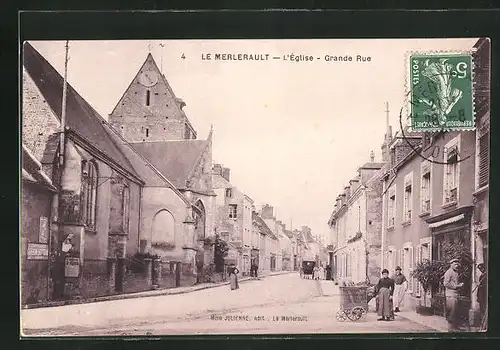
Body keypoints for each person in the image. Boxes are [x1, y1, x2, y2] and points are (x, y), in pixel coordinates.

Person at [443, 258, 464, 332]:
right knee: (451, 311)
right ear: (451, 264)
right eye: (455, 264)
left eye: (457, 264)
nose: (457, 265)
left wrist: (458, 285)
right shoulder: (449, 272)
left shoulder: (456, 272)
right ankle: (451, 328)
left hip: (455, 294)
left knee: (455, 311)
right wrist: (457, 286)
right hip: (450, 295)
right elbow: (446, 284)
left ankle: (455, 327)